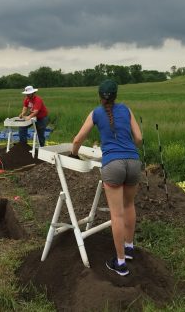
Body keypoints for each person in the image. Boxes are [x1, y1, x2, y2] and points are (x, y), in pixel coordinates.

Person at [71, 79, 143, 276]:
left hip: (113, 165)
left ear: (100, 96)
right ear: (116, 95)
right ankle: (129, 248)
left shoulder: (96, 113)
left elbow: (78, 139)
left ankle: (120, 263)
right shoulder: (126, 110)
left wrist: (74, 153)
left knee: (116, 214)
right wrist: (127, 148)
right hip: (134, 162)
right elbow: (139, 138)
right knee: (129, 206)